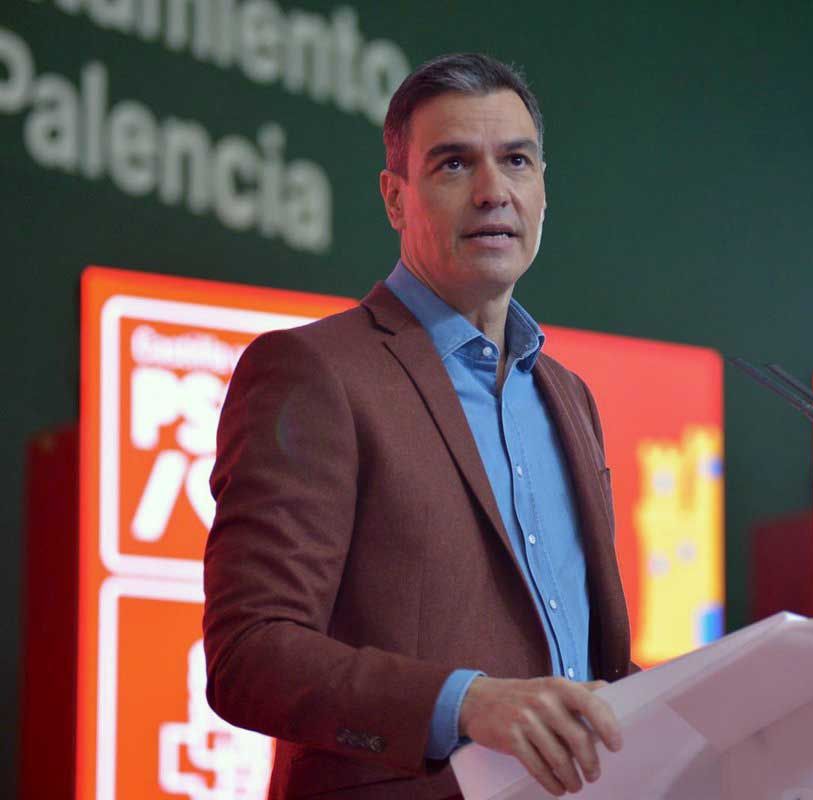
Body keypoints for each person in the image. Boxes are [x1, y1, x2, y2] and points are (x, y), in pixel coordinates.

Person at [202, 53, 635, 800]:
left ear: (543, 191)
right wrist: (467, 703)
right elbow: (250, 655)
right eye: (453, 165)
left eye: (517, 161)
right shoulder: (313, 372)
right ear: (395, 198)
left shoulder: (569, 397)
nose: (494, 192)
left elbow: (591, 669)